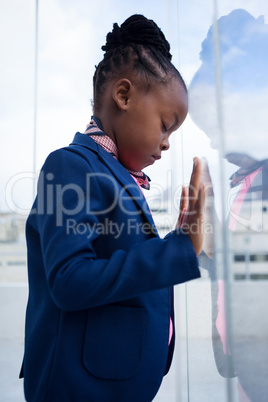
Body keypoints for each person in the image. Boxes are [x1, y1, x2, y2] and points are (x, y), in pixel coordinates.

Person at [19, 14, 205, 402]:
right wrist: (178, 249)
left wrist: (179, 238)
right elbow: (70, 280)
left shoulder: (120, 177)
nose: (167, 142)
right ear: (123, 96)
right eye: (165, 125)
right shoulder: (70, 166)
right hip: (79, 386)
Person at [189, 8, 268, 402]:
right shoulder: (246, 184)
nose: (216, 145)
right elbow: (235, 269)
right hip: (248, 369)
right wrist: (210, 221)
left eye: (218, 130)